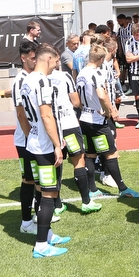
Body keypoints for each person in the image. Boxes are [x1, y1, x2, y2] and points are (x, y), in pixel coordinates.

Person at [17, 44, 71, 258]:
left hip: (33, 143)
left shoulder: (26, 81)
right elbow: (47, 115)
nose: (57, 65)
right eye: (56, 61)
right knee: (49, 194)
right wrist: (57, 144)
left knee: (41, 191)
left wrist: (32, 133)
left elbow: (22, 115)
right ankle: (41, 245)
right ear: (48, 59)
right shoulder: (42, 81)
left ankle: (47, 234)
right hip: (44, 147)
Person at [76, 44, 139, 199]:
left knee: (91, 154)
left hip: (85, 118)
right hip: (97, 120)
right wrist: (108, 112)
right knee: (111, 154)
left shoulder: (81, 73)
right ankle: (123, 188)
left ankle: (92, 189)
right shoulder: (96, 73)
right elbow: (101, 94)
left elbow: (78, 98)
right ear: (100, 59)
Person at [48, 63, 101, 214]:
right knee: (78, 161)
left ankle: (57, 204)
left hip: (53, 127)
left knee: (56, 163)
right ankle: (86, 201)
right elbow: (76, 102)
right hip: (69, 124)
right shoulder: (65, 76)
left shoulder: (41, 78)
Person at [12, 40, 43, 237]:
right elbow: (21, 114)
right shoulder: (20, 81)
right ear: (23, 58)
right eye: (32, 58)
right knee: (28, 181)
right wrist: (30, 135)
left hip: (33, 138)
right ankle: (25, 222)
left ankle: (39, 215)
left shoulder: (31, 78)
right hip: (25, 140)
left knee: (37, 179)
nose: (35, 61)